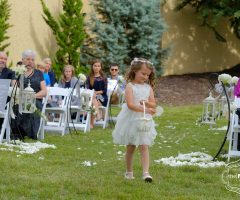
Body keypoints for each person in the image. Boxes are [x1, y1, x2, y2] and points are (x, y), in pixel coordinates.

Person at [112, 58, 157, 182]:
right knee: (131, 146)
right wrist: (146, 110)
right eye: (143, 73)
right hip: (131, 119)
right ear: (135, 71)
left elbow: (153, 104)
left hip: (144, 120)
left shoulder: (148, 88)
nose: (145, 77)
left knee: (144, 145)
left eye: (148, 75)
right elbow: (131, 104)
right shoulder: (130, 86)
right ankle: (129, 172)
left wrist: (147, 104)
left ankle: (146, 173)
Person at [12, 49, 47, 140]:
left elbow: (44, 91)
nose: (30, 62)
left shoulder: (39, 73)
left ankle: (30, 132)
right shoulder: (17, 72)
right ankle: (17, 132)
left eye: (32, 60)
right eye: (28, 59)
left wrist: (32, 96)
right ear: (22, 60)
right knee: (17, 106)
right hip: (19, 99)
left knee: (32, 106)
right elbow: (14, 86)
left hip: (35, 100)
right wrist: (23, 97)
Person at [86, 59, 108, 128]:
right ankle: (95, 118)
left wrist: (95, 92)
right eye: (95, 66)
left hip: (102, 97)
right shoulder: (89, 77)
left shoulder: (103, 77)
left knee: (93, 99)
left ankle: (93, 120)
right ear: (92, 66)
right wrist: (92, 93)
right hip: (92, 97)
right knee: (93, 102)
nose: (97, 67)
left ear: (100, 67)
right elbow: (87, 88)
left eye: (98, 66)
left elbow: (104, 91)